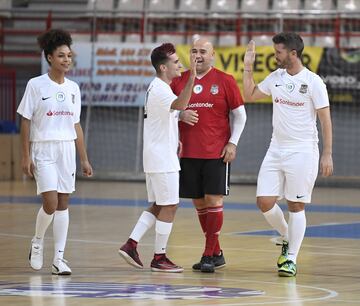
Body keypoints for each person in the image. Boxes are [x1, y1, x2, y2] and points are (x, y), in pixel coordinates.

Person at [243, 32, 333, 277]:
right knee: (264, 201)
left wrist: (327, 153)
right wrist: (247, 67)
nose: (275, 56)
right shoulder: (276, 78)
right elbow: (249, 95)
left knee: (296, 205)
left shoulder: (314, 82)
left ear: (293, 53)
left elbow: (325, 120)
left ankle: (290, 258)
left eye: (278, 52)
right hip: (276, 148)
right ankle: (286, 235)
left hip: (303, 149)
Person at [17, 29, 93, 275]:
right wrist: (26, 155)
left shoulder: (73, 88)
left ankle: (59, 259)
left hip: (66, 149)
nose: (67, 60)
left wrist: (83, 157)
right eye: (61, 56)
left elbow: (76, 124)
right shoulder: (35, 85)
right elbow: (25, 121)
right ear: (49, 57)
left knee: (63, 203)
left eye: (69, 56)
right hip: (43, 149)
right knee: (50, 202)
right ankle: (37, 241)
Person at [170, 37, 247, 273]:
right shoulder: (179, 81)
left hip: (216, 152)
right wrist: (179, 116)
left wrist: (232, 143)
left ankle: (207, 253)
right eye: (194, 51)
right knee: (199, 202)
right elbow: (165, 111)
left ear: (213, 55)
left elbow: (240, 115)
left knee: (214, 200)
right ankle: (217, 253)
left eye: (203, 51)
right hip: (187, 152)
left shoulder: (225, 80)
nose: (198, 55)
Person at [118, 43, 197, 272]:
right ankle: (159, 257)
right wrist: (192, 76)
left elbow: (169, 113)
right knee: (170, 205)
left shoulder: (159, 87)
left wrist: (177, 129)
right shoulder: (161, 89)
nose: (179, 65)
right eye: (175, 62)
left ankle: (131, 244)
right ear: (163, 67)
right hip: (161, 158)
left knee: (158, 205)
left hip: (158, 155)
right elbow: (180, 103)